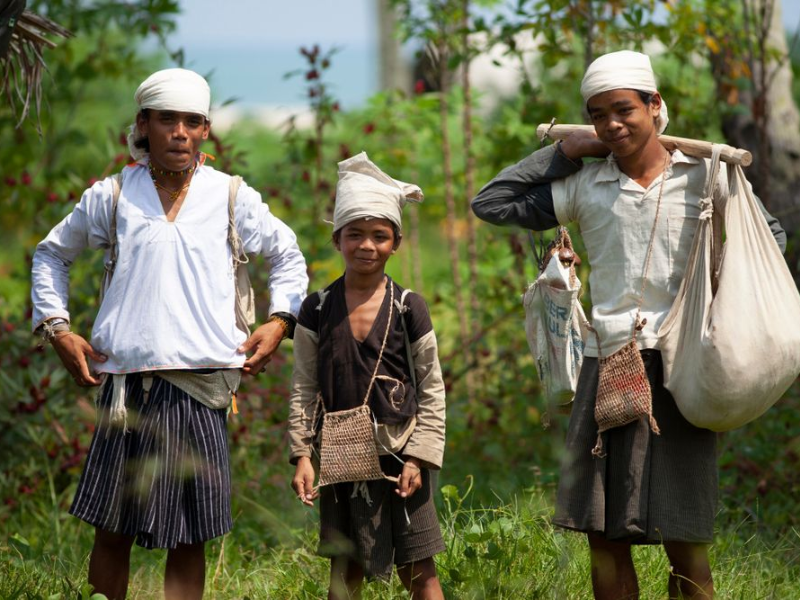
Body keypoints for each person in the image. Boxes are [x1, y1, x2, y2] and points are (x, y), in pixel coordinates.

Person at [471, 50, 786, 600]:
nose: (612, 124)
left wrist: (714, 294)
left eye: (623, 110)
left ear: (654, 105)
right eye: (597, 115)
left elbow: (768, 242)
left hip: (680, 369)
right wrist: (564, 153)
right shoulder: (585, 185)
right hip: (605, 366)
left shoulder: (707, 175)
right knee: (604, 540)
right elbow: (491, 202)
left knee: (685, 540)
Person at [30, 68, 308, 600]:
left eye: (192, 121)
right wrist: (58, 328)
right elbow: (51, 253)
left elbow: (287, 253)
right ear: (144, 125)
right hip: (125, 391)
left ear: (206, 130)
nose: (179, 131)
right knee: (112, 529)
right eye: (167, 120)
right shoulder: (111, 195)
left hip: (202, 388)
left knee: (190, 536)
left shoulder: (229, 195)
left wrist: (281, 321)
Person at [287, 152, 446, 600]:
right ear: (337, 240)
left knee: (419, 569)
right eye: (354, 234)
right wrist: (302, 453)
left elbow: (431, 387)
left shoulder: (408, 307)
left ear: (396, 243)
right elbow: (303, 385)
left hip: (400, 458)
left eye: (380, 236)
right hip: (339, 460)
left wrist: (419, 457)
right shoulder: (316, 309)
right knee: (346, 570)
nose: (367, 245)